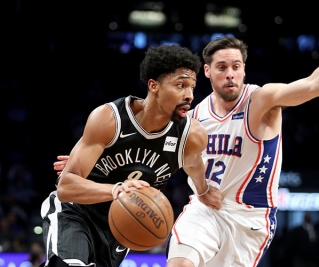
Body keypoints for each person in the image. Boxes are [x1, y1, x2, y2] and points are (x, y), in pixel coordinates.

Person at [54, 9, 319, 267]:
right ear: (207, 72)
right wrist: (104, 166)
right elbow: (145, 144)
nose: (230, 73)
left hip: (250, 217)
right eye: (222, 67)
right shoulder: (190, 115)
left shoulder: (262, 101)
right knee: (180, 263)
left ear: (244, 70)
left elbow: (313, 85)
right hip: (205, 208)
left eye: (236, 66)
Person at [40, 44, 223, 267]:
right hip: (77, 212)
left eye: (192, 88)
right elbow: (66, 187)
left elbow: (193, 165)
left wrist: (203, 190)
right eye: (180, 85)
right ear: (153, 86)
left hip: (122, 225)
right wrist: (117, 189)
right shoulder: (109, 119)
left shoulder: (192, 135)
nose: (189, 95)